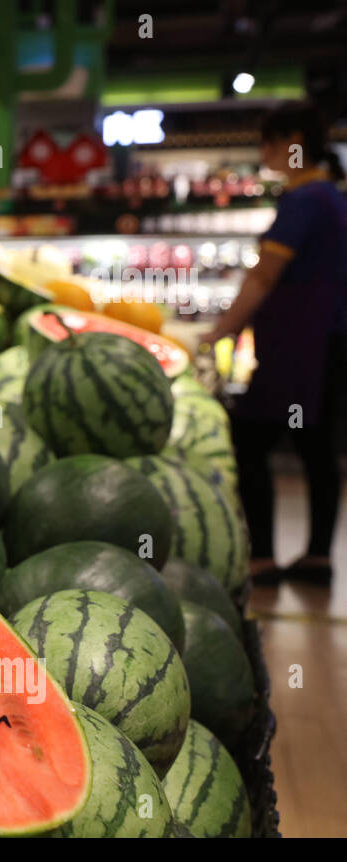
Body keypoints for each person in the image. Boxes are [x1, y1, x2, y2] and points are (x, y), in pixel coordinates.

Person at [200, 102, 347, 585]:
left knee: (249, 441)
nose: (264, 151)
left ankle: (261, 554)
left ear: (295, 142)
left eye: (269, 141)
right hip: (322, 346)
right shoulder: (330, 198)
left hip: (298, 352)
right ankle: (318, 556)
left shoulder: (306, 201)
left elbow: (263, 278)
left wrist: (218, 331)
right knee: (317, 451)